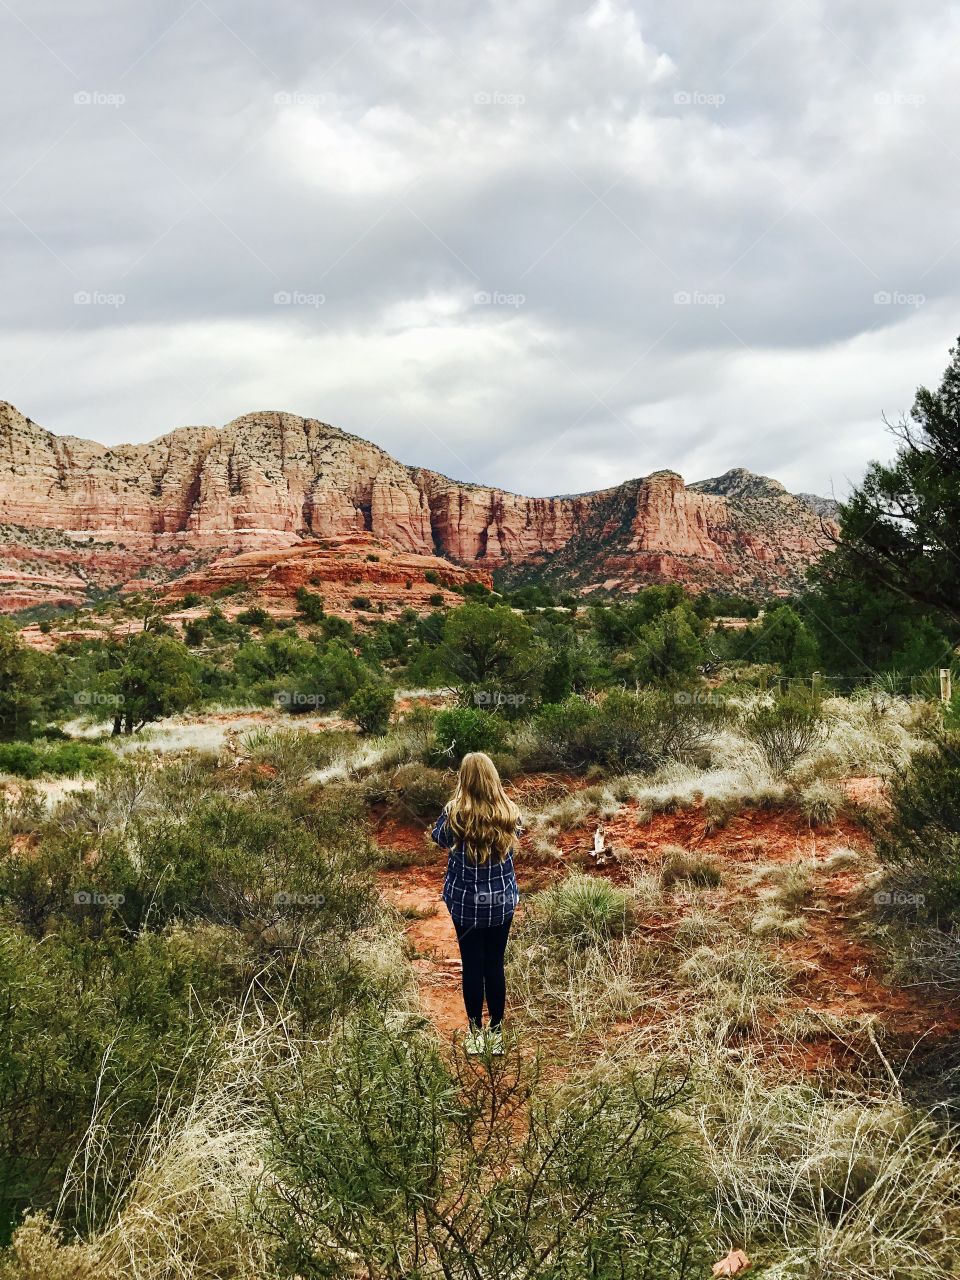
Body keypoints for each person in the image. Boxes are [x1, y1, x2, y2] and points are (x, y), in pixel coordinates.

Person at [431, 751, 521, 1055]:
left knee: (472, 965)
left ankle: (475, 1035)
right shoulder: (509, 810)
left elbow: (438, 839)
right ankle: (496, 1033)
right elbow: (519, 834)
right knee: (494, 964)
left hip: (466, 903)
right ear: (493, 776)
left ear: (464, 778)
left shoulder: (454, 812)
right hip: (501, 900)